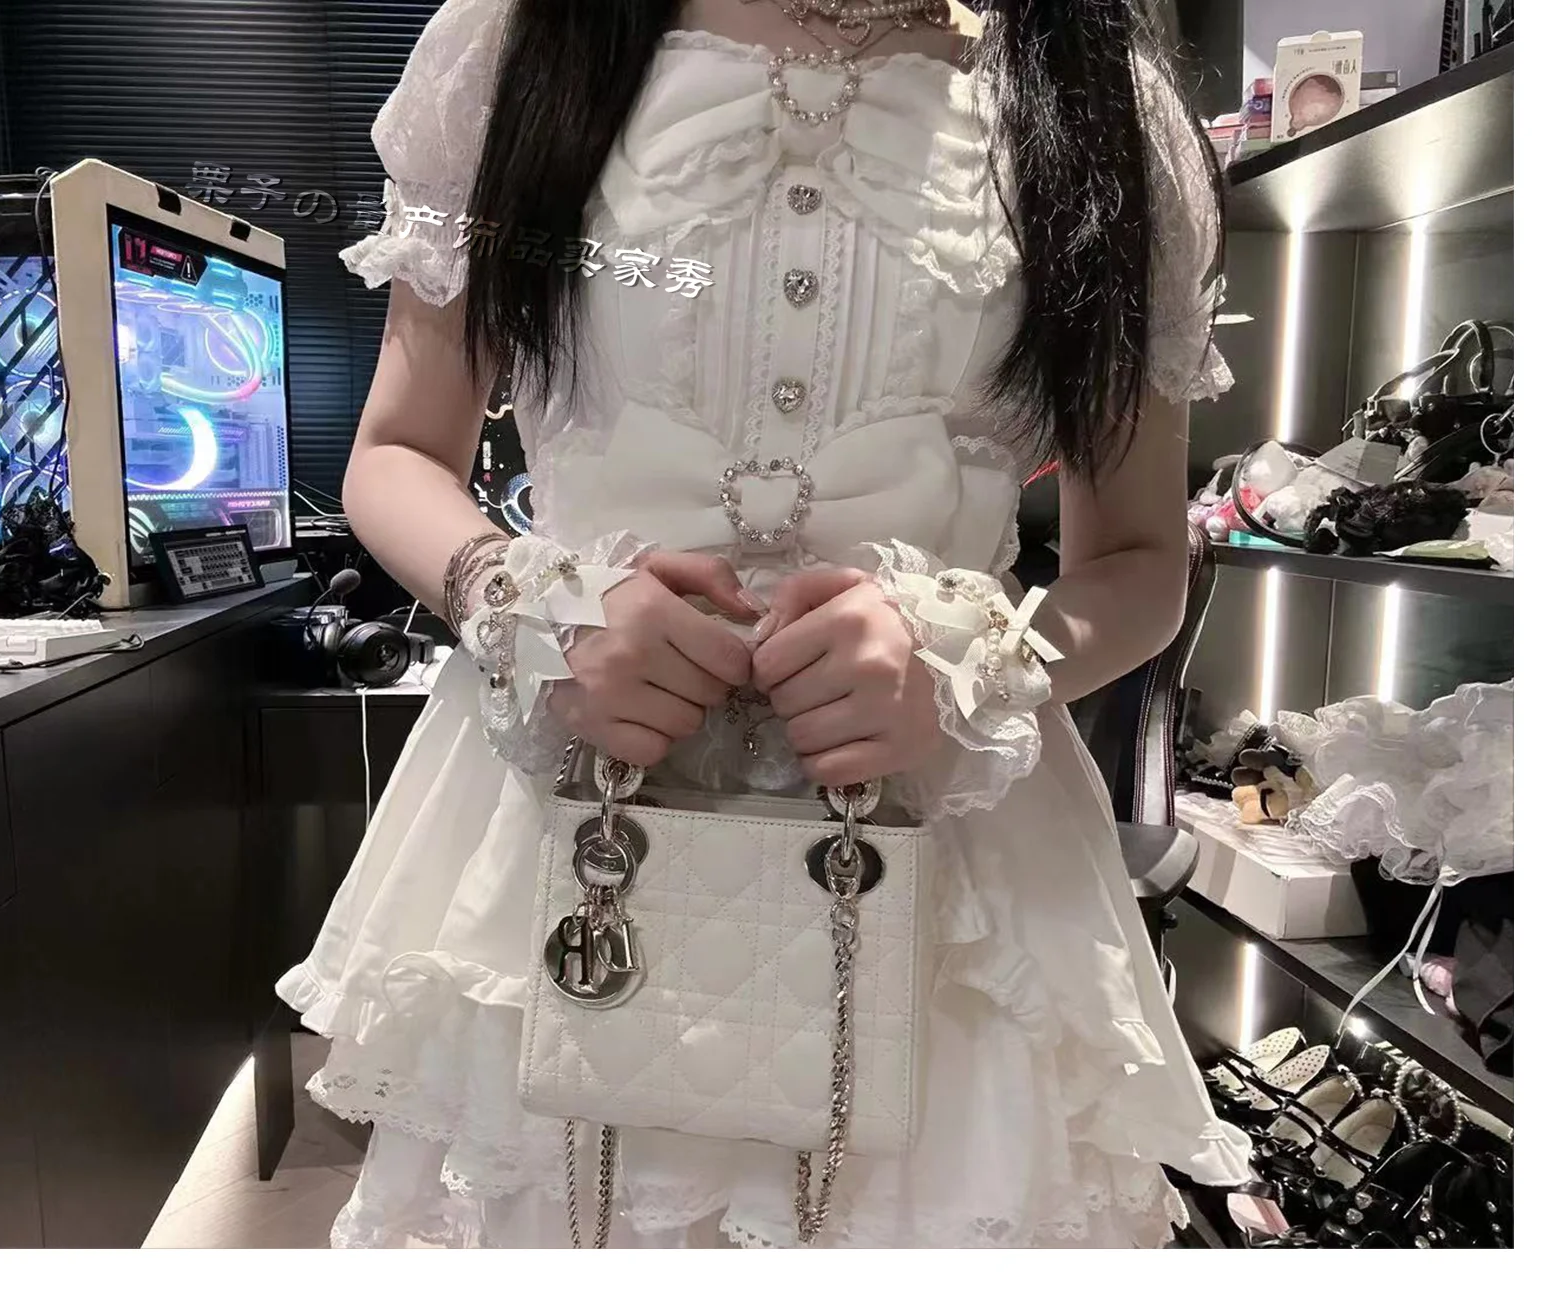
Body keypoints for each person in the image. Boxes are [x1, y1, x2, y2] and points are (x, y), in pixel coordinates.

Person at [280, 0, 1253, 1248]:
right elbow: (398, 451)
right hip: (561, 814)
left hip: (947, 858)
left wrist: (975, 671)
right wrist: (526, 607)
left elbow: (1137, 561)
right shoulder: (520, 45)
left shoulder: (1101, 108)